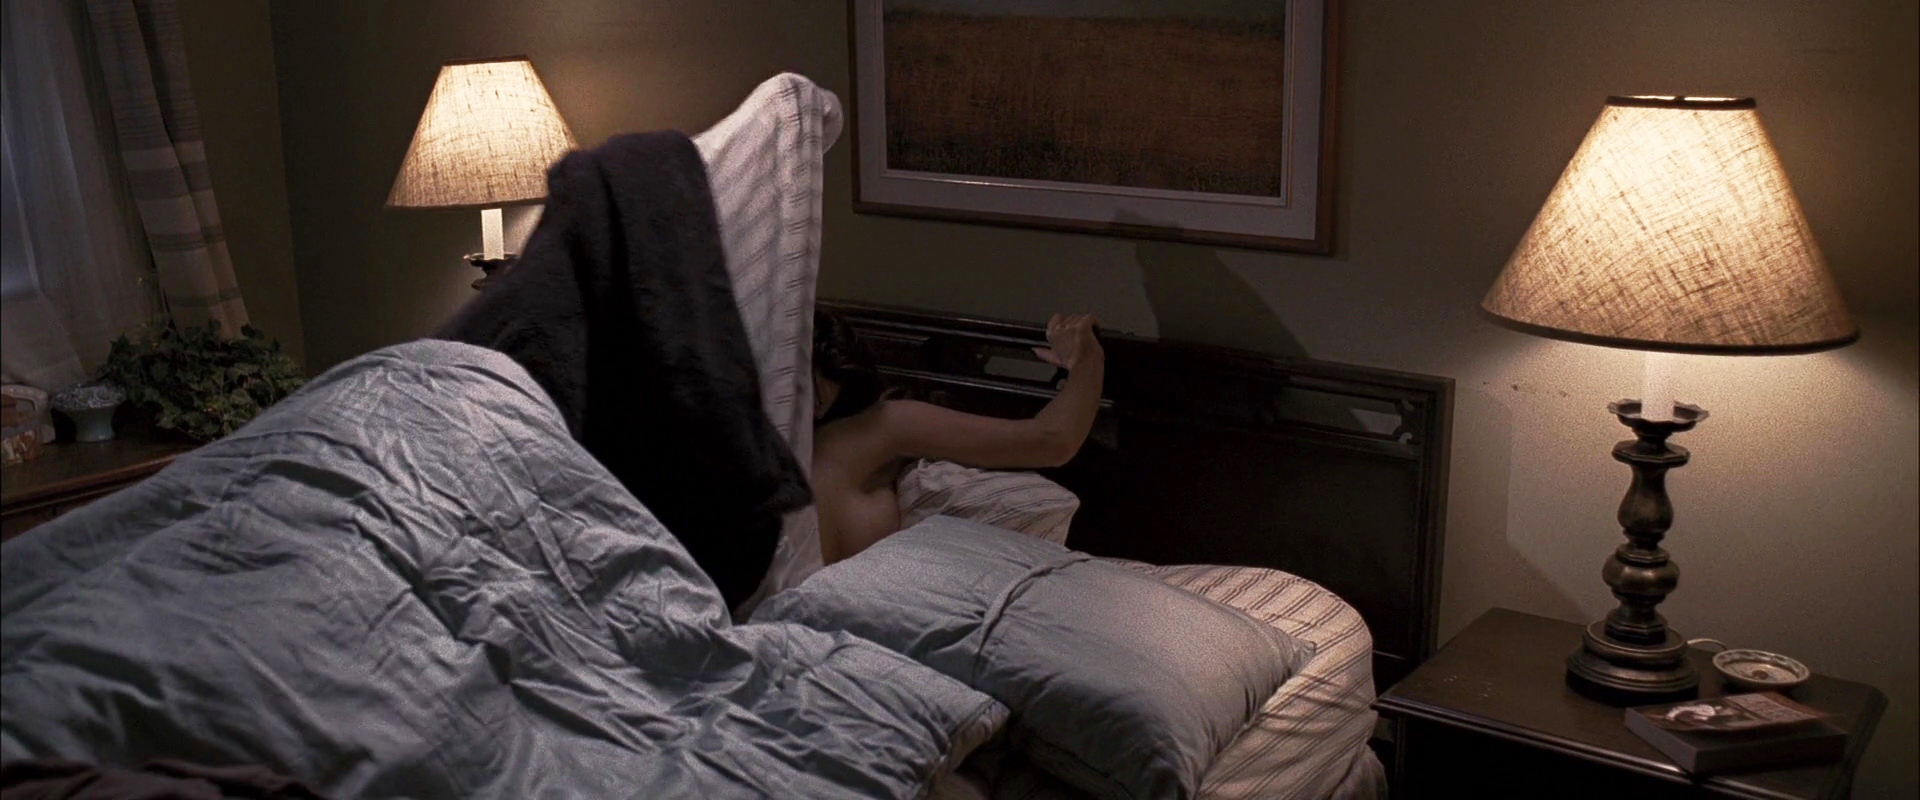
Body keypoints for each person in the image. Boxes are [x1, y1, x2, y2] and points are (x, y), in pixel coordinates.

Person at [810, 309, 1105, 563]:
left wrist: (1087, 360)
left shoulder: (873, 427)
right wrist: (1088, 360)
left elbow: (1052, 440)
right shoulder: (863, 431)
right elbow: (1052, 440)